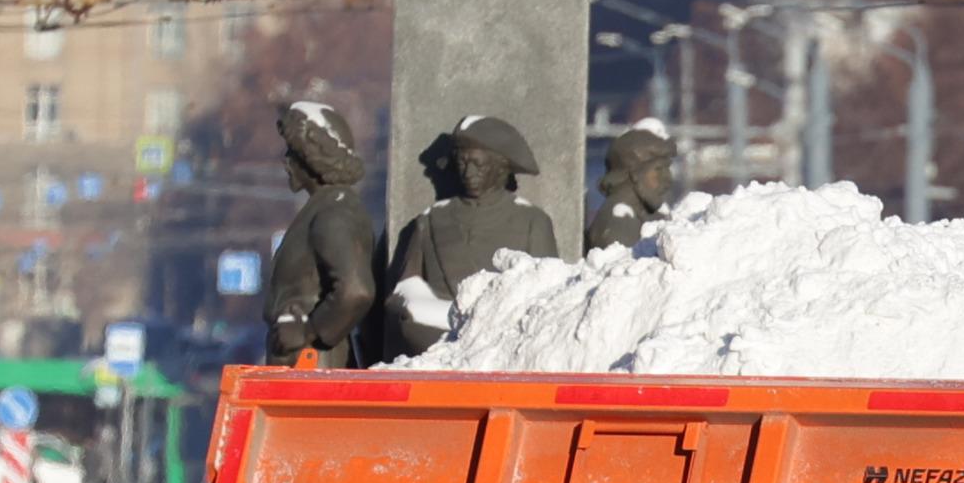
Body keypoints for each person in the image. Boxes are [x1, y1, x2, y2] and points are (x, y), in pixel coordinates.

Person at [387, 113, 558, 355]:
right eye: (462, 163)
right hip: (437, 341)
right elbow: (406, 286)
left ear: (501, 168)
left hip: (502, 344)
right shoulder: (432, 219)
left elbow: (547, 293)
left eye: (479, 165)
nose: (468, 173)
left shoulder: (532, 221)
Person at [266, 100, 379, 367]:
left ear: (312, 157)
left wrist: (309, 330)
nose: (285, 162)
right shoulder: (325, 207)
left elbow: (356, 290)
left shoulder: (334, 213)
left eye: (292, 154)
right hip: (305, 363)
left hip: (315, 364)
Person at [583, 120, 677, 254]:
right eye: (659, 169)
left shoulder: (640, 214)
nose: (668, 179)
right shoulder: (620, 220)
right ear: (634, 173)